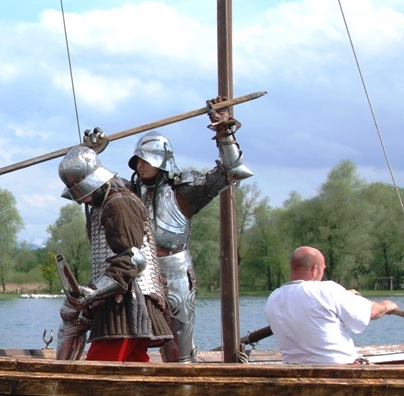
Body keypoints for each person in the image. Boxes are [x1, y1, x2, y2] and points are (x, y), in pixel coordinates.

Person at [107, 100, 252, 362]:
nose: (140, 165)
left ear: (161, 161)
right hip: (138, 272)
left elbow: (232, 171)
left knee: (178, 353)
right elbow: (92, 185)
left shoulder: (184, 191)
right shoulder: (128, 192)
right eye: (138, 160)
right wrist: (90, 153)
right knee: (126, 343)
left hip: (174, 273)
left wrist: (224, 132)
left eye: (146, 160)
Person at [55, 146, 172, 362]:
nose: (80, 199)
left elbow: (133, 259)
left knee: (100, 370)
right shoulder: (104, 203)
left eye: (80, 190)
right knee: (133, 370)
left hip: (127, 306)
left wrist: (92, 291)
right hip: (119, 304)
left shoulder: (119, 203)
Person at [264, 246, 401, 365]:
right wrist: (386, 305)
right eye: (323, 269)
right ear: (315, 269)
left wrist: (345, 296)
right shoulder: (326, 290)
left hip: (296, 373)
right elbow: (370, 312)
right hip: (342, 373)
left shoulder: (273, 298)